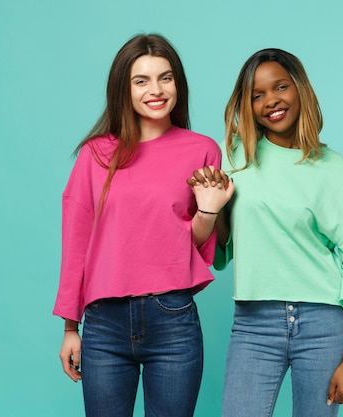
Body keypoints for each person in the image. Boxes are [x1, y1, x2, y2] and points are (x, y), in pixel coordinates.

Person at [53, 34, 233, 417]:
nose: (156, 90)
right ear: (125, 88)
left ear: (178, 85)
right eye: (142, 81)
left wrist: (209, 211)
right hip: (104, 323)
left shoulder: (202, 149)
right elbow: (76, 243)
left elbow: (192, 244)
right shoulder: (96, 154)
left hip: (173, 319)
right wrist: (71, 327)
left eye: (165, 78)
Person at [188, 49, 343, 417]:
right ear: (247, 104)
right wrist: (212, 203)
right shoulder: (235, 158)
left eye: (280, 87)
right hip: (254, 323)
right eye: (257, 95)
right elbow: (222, 251)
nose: (270, 101)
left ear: (299, 89)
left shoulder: (335, 171)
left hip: (323, 323)